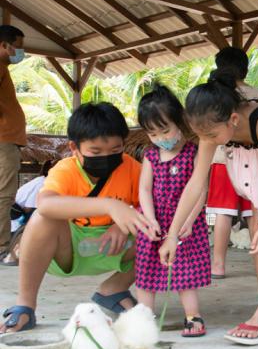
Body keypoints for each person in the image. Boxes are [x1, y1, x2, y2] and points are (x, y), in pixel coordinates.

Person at [159, 70, 258, 346]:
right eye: (199, 134)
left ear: (233, 119)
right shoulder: (210, 127)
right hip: (254, 164)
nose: (205, 139)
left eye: (209, 134)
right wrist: (172, 234)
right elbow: (196, 183)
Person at [0, 103, 155, 333]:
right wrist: (109, 205)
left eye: (115, 150)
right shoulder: (65, 170)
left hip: (117, 247)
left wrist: (122, 226)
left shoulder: (132, 168)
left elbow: (153, 204)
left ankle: (114, 288)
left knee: (160, 227)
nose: (107, 157)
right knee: (43, 218)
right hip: (69, 251)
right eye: (95, 152)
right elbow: (46, 204)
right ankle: (25, 305)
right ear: (75, 147)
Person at [136, 85, 210, 337]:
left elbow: (200, 191)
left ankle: (193, 316)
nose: (160, 138)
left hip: (186, 223)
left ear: (180, 122)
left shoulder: (194, 152)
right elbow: (144, 190)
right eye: (153, 133)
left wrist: (189, 221)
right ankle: (144, 317)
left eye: (165, 130)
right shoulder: (150, 155)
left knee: (185, 270)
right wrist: (149, 218)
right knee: (146, 270)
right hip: (155, 223)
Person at [207, 47, 258, 279]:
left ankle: (218, 265)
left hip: (224, 160)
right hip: (255, 162)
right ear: (245, 68)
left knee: (224, 214)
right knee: (254, 214)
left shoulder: (215, 95)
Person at [0, 25, 27, 265]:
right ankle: (1, 247)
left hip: (6, 139)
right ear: (4, 45)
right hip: (3, 140)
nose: (20, 53)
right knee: (4, 194)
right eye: (17, 47)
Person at [1, 160, 54, 266]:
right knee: (42, 219)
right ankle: (17, 251)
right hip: (16, 222)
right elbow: (30, 210)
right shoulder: (43, 184)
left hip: (17, 218)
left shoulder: (43, 181)